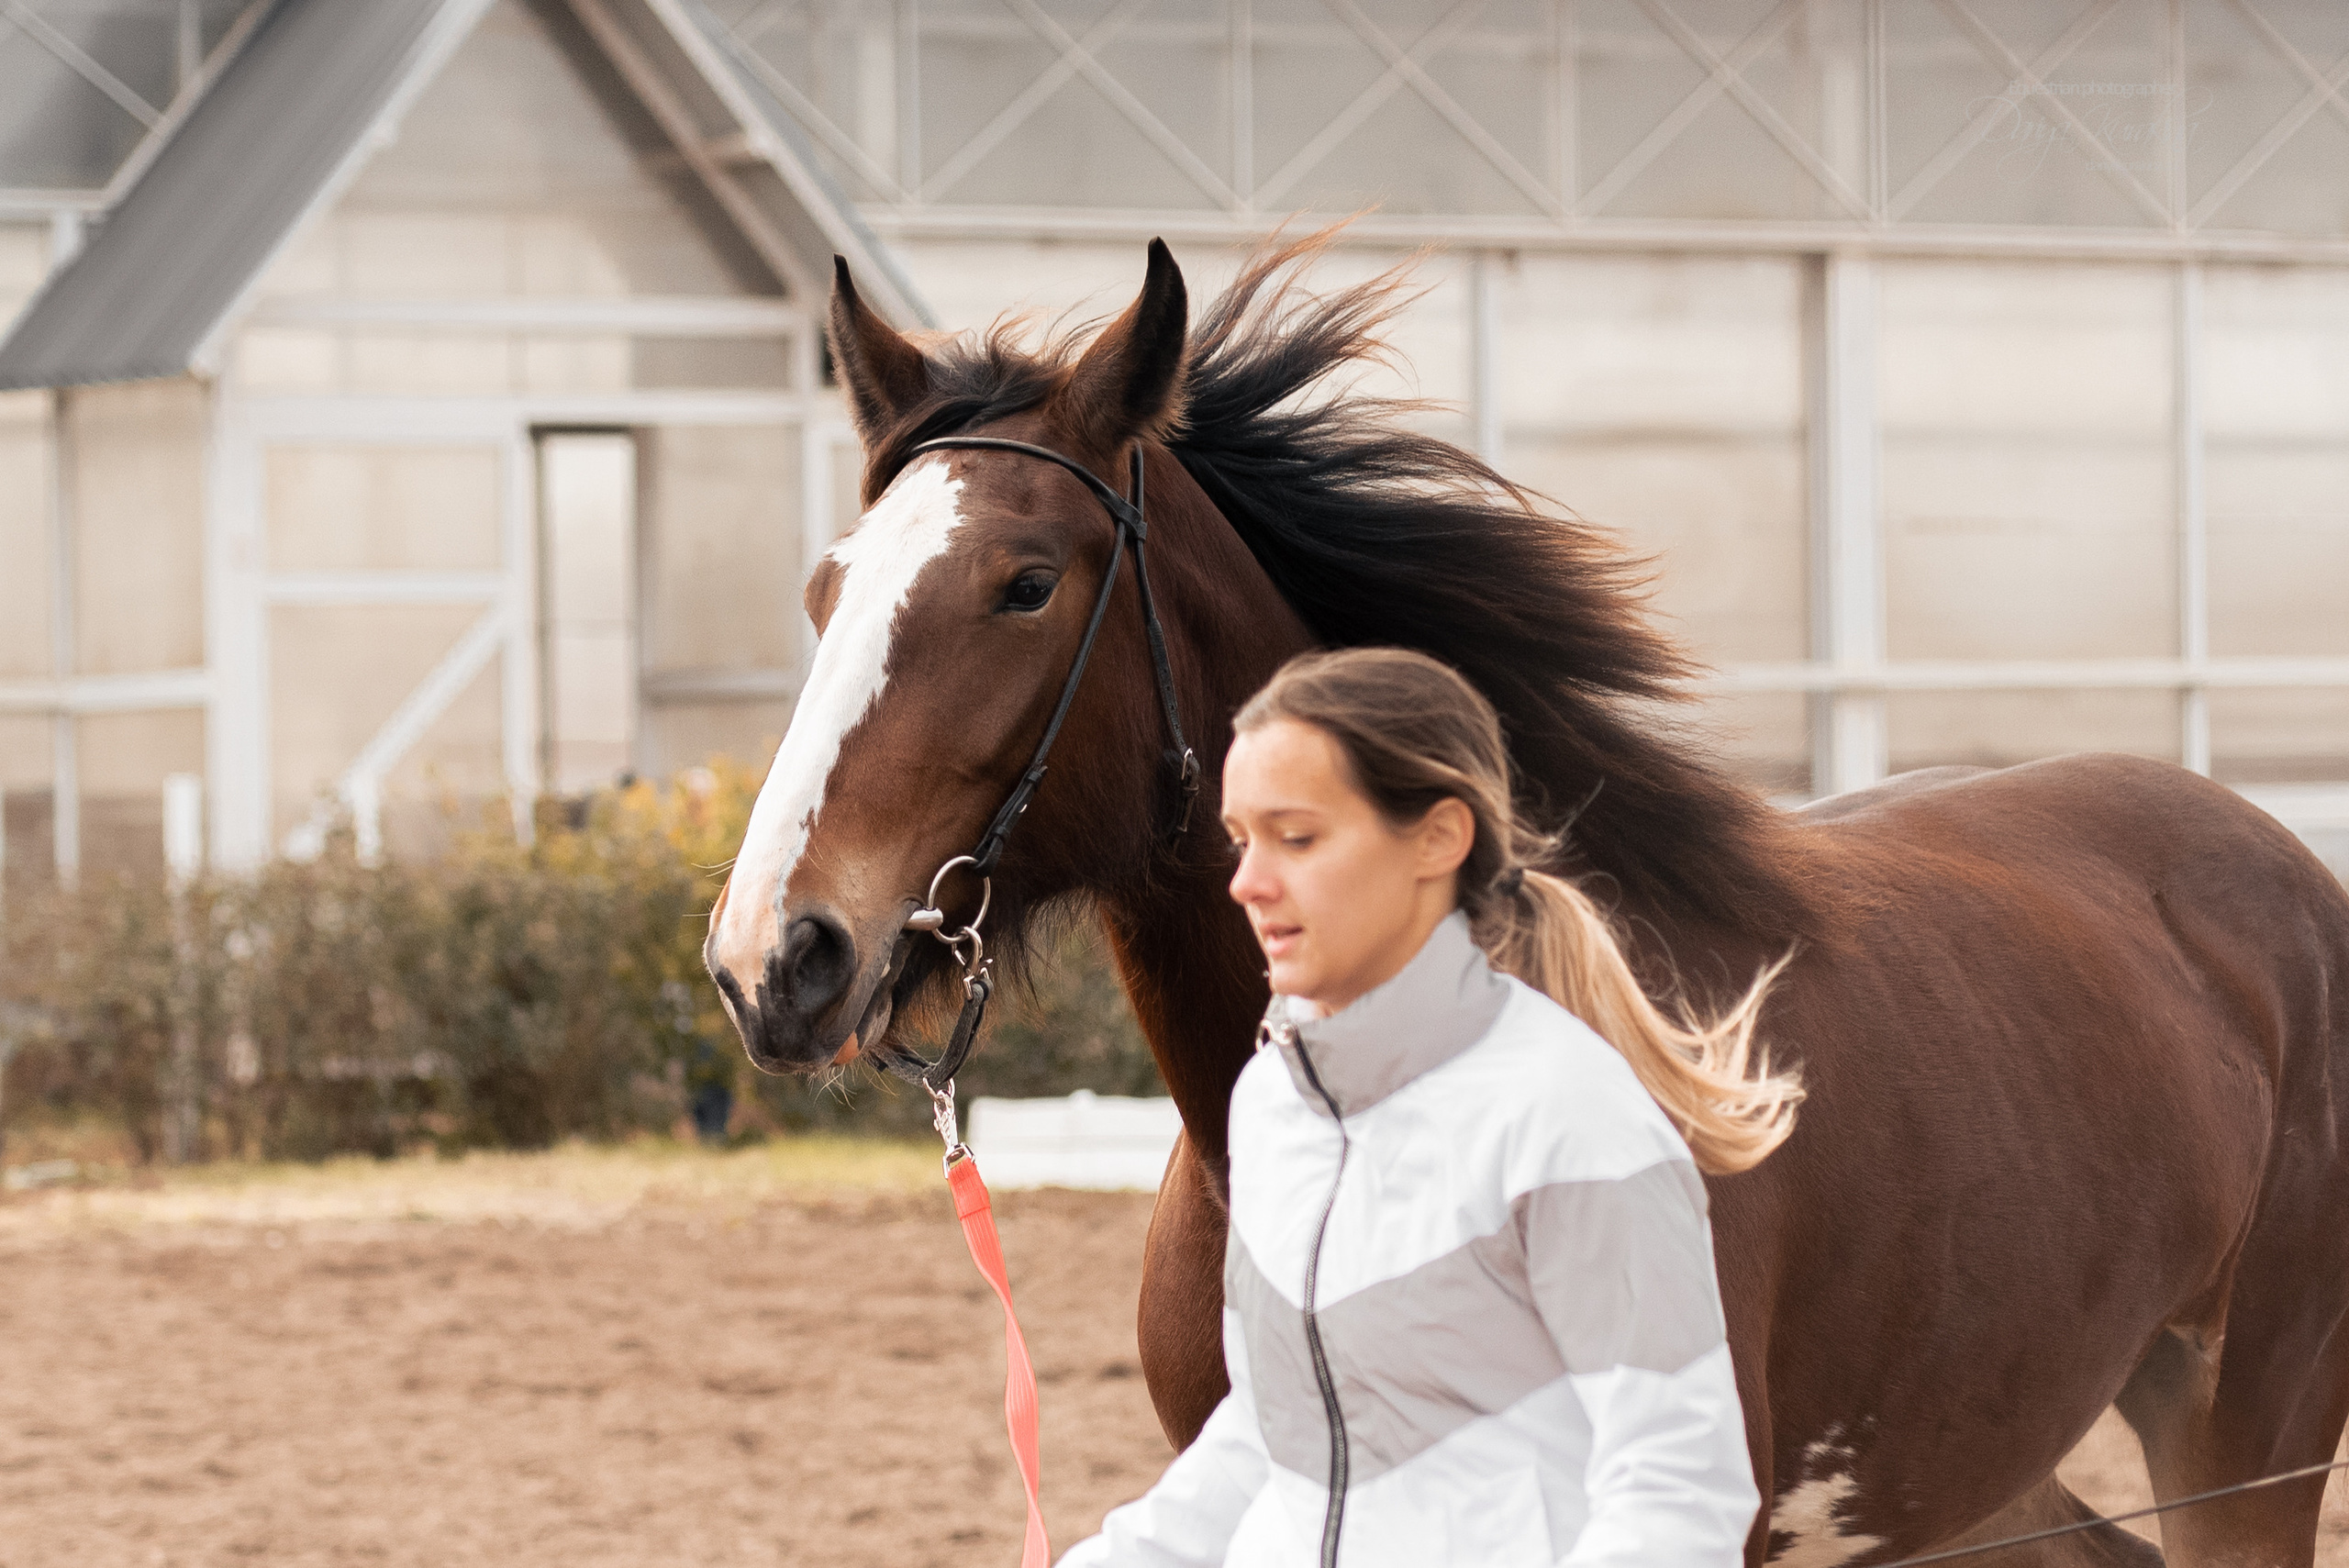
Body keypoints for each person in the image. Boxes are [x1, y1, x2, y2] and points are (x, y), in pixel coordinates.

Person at [1057, 647, 1801, 1568]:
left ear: (1437, 838)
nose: (1246, 882)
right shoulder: (1274, 1105)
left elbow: (1680, 1493)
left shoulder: (1567, 1113)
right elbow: (1272, 1434)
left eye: (1296, 837)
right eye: (1241, 839)